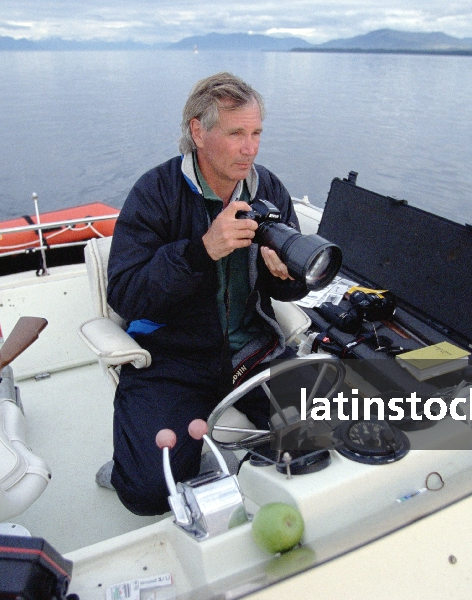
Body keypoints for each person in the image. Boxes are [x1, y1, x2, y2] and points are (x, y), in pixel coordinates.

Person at [100, 72, 308, 516]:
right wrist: (200, 252)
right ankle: (133, 460)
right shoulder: (155, 193)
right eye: (236, 134)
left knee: (319, 442)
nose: (250, 149)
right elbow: (124, 293)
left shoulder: (267, 188)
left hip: (252, 352)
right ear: (198, 131)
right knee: (148, 493)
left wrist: (287, 277)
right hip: (173, 359)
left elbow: (284, 287)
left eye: (256, 134)